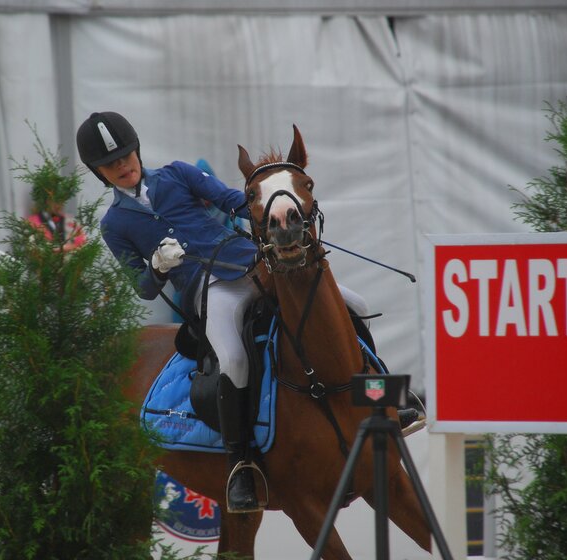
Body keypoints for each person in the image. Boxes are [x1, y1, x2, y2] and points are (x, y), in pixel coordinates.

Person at [76, 111, 373, 513]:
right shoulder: (114, 223)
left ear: (137, 152)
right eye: (111, 164)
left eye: (126, 156)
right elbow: (144, 289)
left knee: (355, 304)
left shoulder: (179, 174)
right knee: (233, 358)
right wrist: (158, 266)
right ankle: (242, 463)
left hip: (253, 264)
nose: (122, 166)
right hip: (207, 288)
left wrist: (273, 202)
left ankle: (385, 396)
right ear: (99, 172)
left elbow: (235, 202)